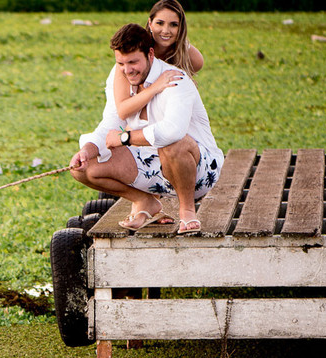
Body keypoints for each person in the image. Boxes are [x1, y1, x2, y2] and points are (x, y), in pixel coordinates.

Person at [69, 23, 223, 234]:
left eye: (133, 62)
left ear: (150, 54)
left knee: (172, 143)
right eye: (121, 63)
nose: (127, 70)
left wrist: (125, 138)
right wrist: (87, 150)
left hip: (198, 170)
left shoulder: (175, 78)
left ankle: (187, 211)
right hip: (152, 166)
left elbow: (172, 131)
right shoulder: (122, 79)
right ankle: (145, 201)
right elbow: (111, 122)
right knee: (85, 168)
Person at [112, 0, 203, 123]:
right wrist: (156, 86)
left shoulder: (191, 57)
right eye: (160, 23)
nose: (166, 30)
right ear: (150, 23)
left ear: (181, 27)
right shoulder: (133, 55)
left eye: (173, 25)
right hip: (126, 109)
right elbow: (122, 111)